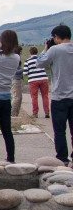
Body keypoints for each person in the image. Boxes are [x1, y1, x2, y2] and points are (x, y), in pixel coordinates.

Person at [35, 24, 73, 166]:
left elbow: (39, 63)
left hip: (60, 96)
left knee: (60, 130)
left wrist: (45, 49)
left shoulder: (55, 50)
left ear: (56, 37)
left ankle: (63, 159)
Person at [0, 30, 20, 163]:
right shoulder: (16, 58)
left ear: (2, 41)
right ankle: (11, 158)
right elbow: (7, 54)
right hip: (6, 97)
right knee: (7, 131)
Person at [24, 46, 50, 118]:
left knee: (34, 97)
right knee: (45, 96)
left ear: (30, 52)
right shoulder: (41, 59)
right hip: (43, 78)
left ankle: (35, 113)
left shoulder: (27, 61)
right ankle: (47, 112)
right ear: (37, 52)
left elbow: (25, 72)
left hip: (33, 80)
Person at [10, 46, 23, 117]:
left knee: (19, 97)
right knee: (16, 97)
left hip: (17, 79)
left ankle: (16, 113)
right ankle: (13, 114)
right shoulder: (15, 59)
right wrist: (23, 70)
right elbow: (14, 70)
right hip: (15, 79)